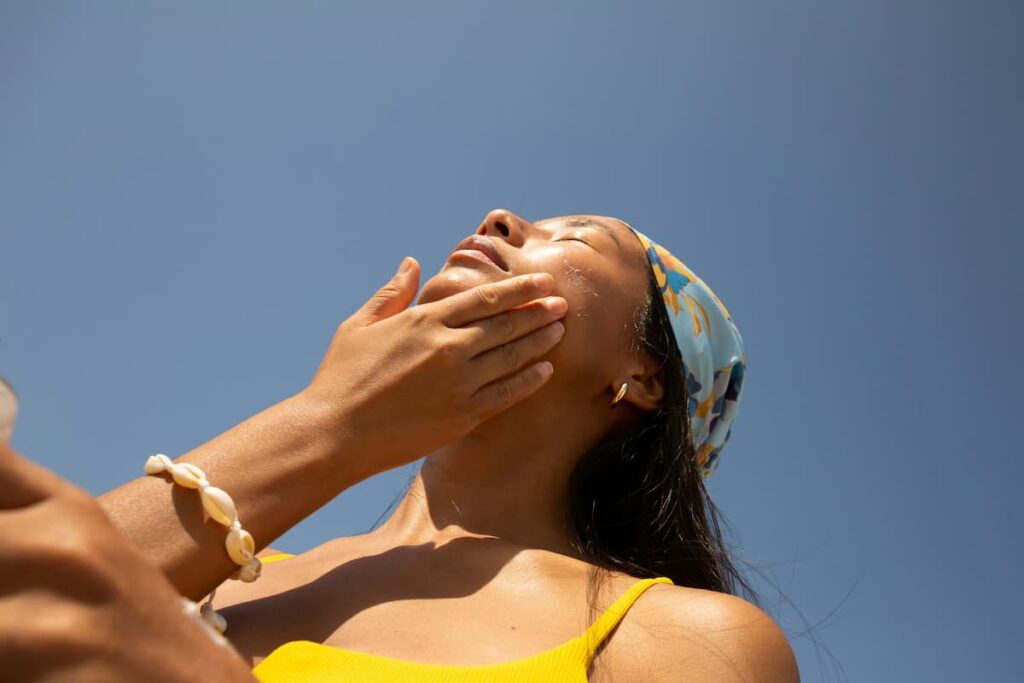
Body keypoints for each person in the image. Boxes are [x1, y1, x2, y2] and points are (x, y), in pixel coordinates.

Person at [1, 210, 799, 682]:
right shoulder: (237, 572)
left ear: (645, 377)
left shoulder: (681, 638)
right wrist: (332, 419)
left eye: (579, 240)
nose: (499, 219)